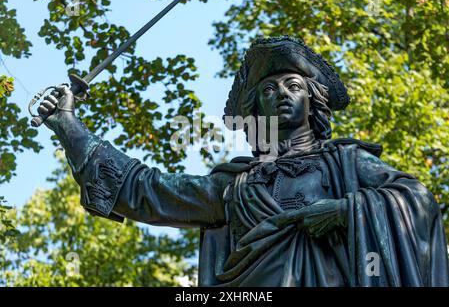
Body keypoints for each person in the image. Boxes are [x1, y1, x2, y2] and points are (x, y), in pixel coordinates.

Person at [37, 36, 449, 286]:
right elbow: (148, 190)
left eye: (293, 85)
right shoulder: (236, 185)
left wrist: (345, 210)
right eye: (269, 89)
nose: (282, 93)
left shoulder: (345, 163)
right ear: (256, 110)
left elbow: (416, 199)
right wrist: (69, 125)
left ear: (312, 101)